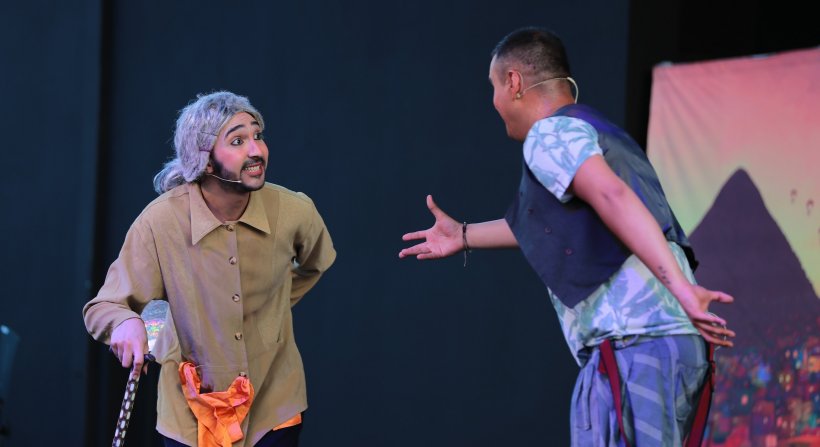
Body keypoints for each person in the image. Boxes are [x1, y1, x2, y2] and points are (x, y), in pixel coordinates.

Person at [399, 28, 735, 446]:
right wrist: (463, 235)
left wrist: (683, 289)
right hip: (669, 344)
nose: (494, 102)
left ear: (514, 82)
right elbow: (548, 223)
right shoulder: (599, 133)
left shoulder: (550, 134)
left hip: (634, 343)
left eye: (493, 87)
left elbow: (611, 196)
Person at [83, 91, 336, 447]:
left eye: (257, 136)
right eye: (237, 141)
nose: (257, 150)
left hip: (274, 409)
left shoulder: (295, 211)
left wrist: (273, 306)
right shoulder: (160, 222)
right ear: (206, 161)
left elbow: (316, 262)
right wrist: (123, 323)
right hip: (189, 415)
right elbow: (103, 307)